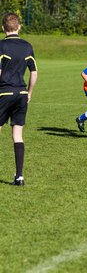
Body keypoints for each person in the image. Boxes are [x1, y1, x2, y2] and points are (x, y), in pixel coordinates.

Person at [0, 13, 38, 186]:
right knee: (18, 135)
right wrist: (29, 92)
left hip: (4, 93)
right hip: (21, 94)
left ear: (3, 28)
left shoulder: (1, 46)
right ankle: (19, 176)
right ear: (19, 27)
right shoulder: (27, 46)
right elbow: (34, 72)